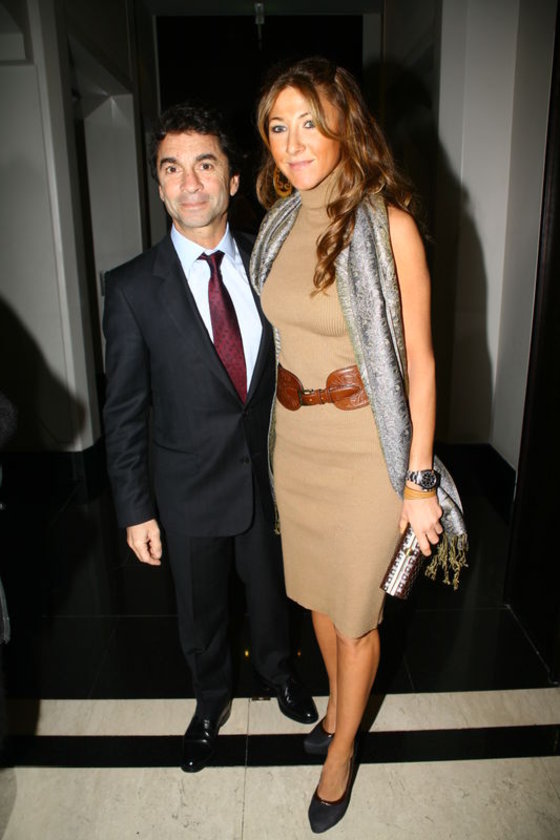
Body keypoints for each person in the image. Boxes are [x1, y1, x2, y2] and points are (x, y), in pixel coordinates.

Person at [250, 58, 467, 833]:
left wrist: (418, 482)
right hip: (295, 444)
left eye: (310, 122)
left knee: (356, 616)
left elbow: (422, 365)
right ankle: (340, 708)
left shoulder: (390, 226)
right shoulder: (278, 224)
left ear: (345, 124)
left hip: (365, 452)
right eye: (278, 127)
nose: (293, 142)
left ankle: (342, 752)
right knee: (317, 595)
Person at [102, 102, 318, 774]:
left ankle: (280, 674)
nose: (189, 182)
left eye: (205, 164)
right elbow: (124, 409)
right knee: (200, 614)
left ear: (233, 178)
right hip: (187, 486)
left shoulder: (270, 260)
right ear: (160, 185)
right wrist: (135, 508)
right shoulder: (131, 289)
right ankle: (209, 701)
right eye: (172, 168)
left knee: (274, 595)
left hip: (270, 477)